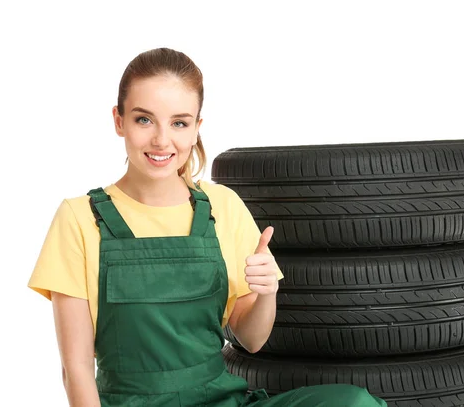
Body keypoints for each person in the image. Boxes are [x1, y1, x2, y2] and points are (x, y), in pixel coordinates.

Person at [28, 47, 388, 407]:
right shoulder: (80, 218)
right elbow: (75, 368)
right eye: (144, 120)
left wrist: (266, 292)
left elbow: (252, 339)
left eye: (179, 123)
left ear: (196, 128)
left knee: (354, 402)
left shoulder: (222, 206)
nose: (161, 140)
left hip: (220, 401)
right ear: (119, 120)